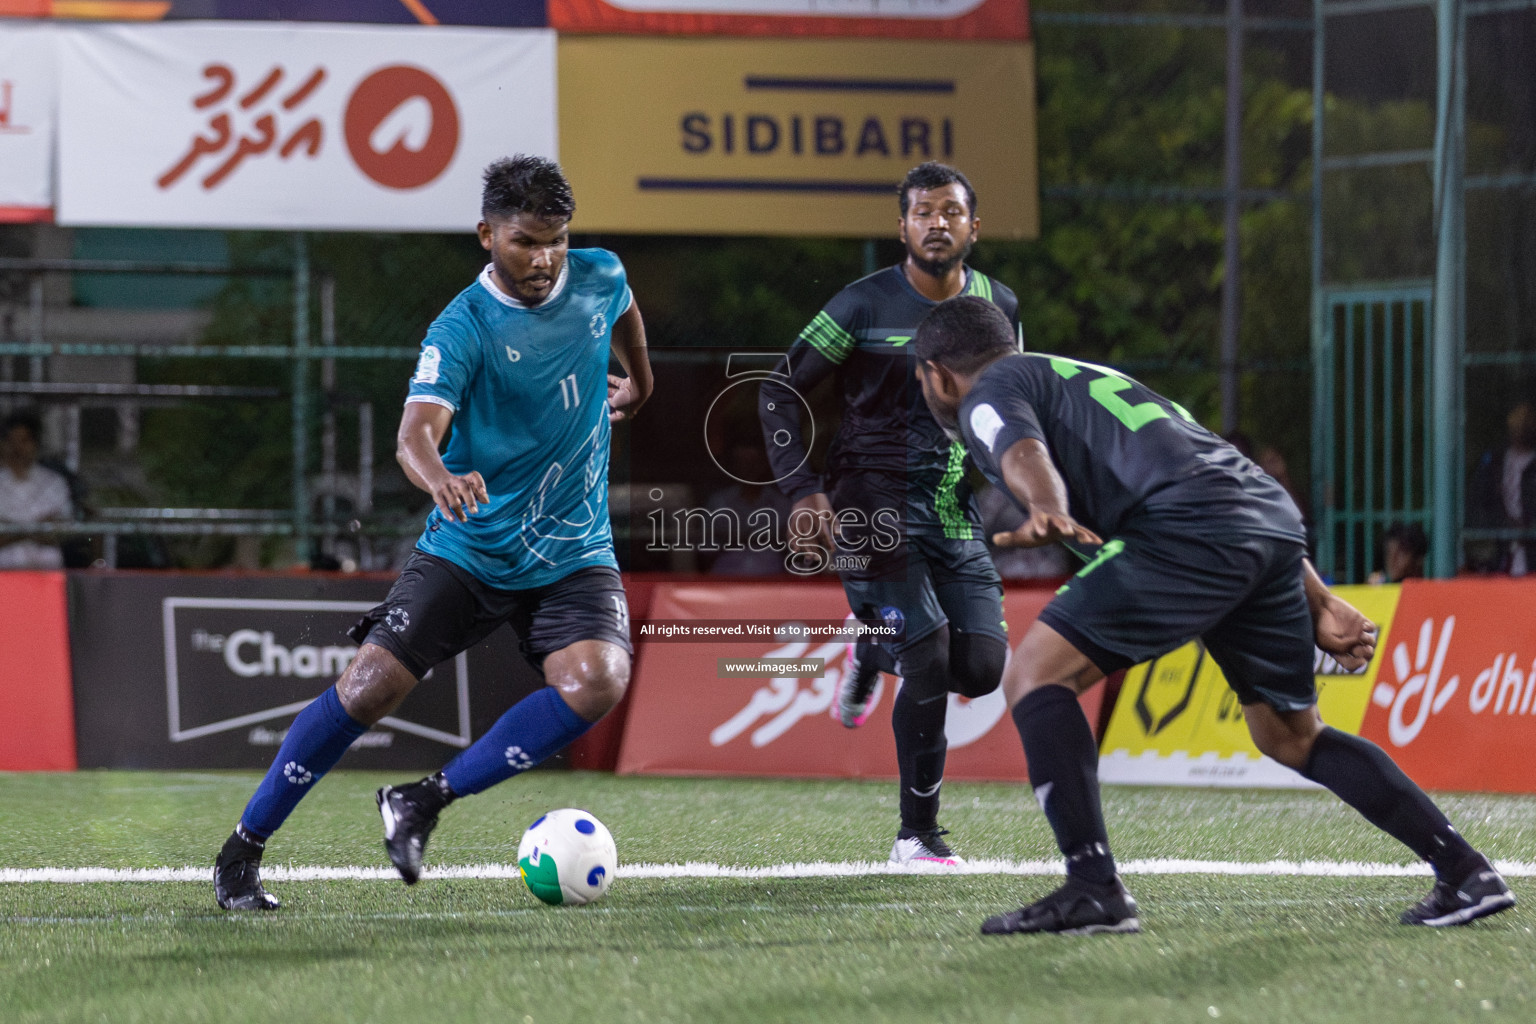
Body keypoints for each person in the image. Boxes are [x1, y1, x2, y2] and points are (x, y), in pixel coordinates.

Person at [912, 296, 1514, 934]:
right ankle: (1464, 871)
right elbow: (1217, 471)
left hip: (1185, 530)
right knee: (1289, 736)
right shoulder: (1083, 377)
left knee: (1035, 676)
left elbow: (1023, 452)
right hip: (1263, 520)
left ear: (939, 374)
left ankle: (1092, 887)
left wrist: (1044, 504)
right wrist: (1318, 596)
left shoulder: (989, 390)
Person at [212, 155, 653, 910]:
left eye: (556, 240)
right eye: (524, 242)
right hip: (473, 546)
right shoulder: (463, 326)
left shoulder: (599, 273)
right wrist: (440, 477)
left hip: (573, 548)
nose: (544, 259)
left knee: (598, 681)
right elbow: (415, 435)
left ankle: (422, 800)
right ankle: (243, 850)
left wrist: (641, 378)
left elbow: (624, 310)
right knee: (368, 688)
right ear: (486, 234)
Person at [758, 163, 1017, 866]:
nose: (938, 223)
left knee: (984, 669)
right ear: (900, 227)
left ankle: (872, 643)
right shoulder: (862, 306)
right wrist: (802, 490)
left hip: (953, 510)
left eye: (952, 212)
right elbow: (778, 393)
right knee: (929, 655)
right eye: (923, 212)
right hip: (868, 504)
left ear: (974, 227)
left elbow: (1008, 402)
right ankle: (916, 836)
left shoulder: (1000, 305)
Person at [1468, 401, 1536, 575]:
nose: (1521, 426)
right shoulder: (1494, 462)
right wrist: (1500, 525)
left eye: (1527, 421)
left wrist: (1528, 528)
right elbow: (1480, 502)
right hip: (1499, 553)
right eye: (1516, 421)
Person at [0, 410, 74, 570]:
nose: (17, 448)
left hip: (45, 572)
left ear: (35, 444)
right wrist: (36, 528)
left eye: (24, 441)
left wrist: (11, 530)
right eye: (11, 441)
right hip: (4, 573)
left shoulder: (54, 482)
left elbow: (60, 531)